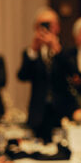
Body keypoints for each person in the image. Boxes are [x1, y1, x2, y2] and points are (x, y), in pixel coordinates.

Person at [17, 8, 64, 141]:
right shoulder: (31, 52)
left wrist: (57, 50)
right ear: (35, 28)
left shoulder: (66, 51)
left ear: (57, 27)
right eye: (42, 25)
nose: (46, 28)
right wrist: (33, 51)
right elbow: (22, 76)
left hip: (61, 113)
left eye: (49, 25)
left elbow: (70, 74)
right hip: (38, 113)